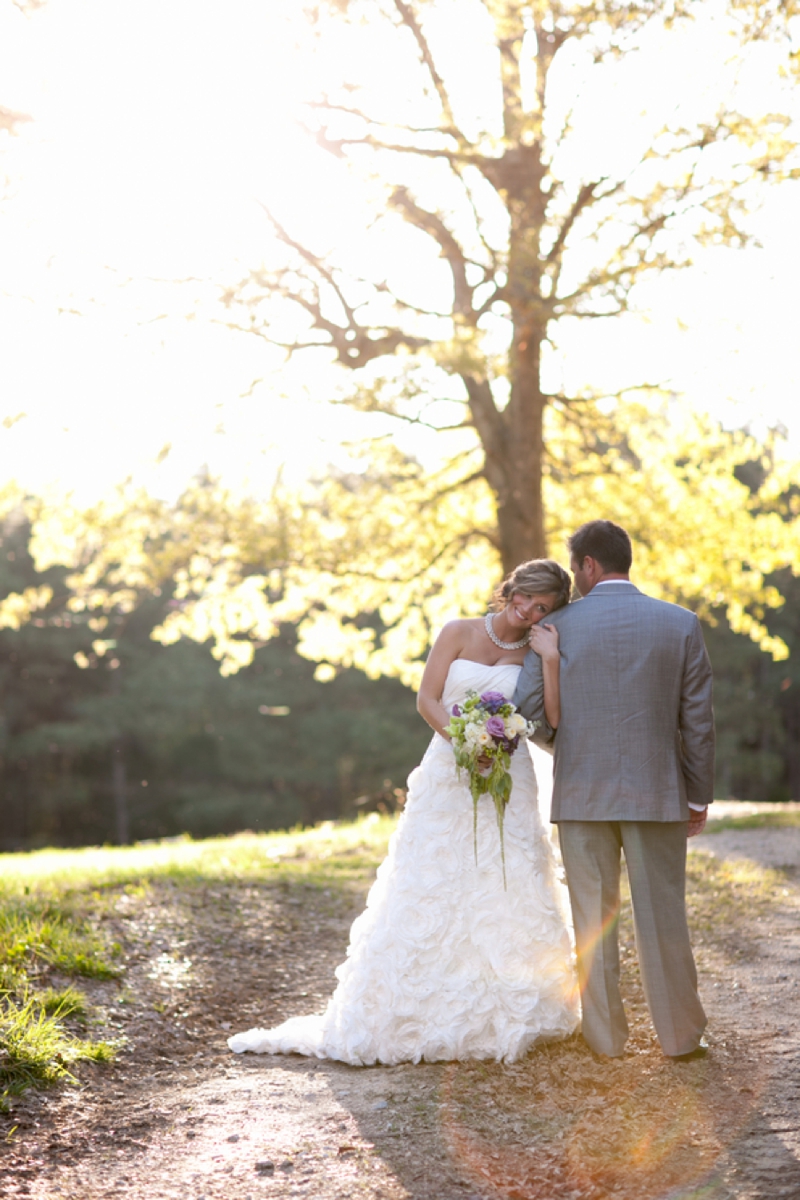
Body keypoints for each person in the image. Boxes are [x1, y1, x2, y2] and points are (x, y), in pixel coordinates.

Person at [228, 559, 579, 1066]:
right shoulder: (457, 631)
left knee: (507, 875)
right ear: (510, 589)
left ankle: (511, 1004)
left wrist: (549, 660)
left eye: (542, 608)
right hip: (449, 767)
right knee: (433, 875)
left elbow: (553, 718)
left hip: (509, 772)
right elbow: (427, 698)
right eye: (525, 597)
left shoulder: (534, 649)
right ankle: (414, 1004)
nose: (527, 611)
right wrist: (466, 740)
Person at [513, 520, 715, 1062]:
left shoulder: (554, 629)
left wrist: (572, 746)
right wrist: (697, 795)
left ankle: (605, 1040)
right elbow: (697, 719)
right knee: (664, 918)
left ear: (588, 566)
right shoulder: (680, 624)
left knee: (593, 922)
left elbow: (529, 713)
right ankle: (679, 1039)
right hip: (660, 795)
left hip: (581, 793)